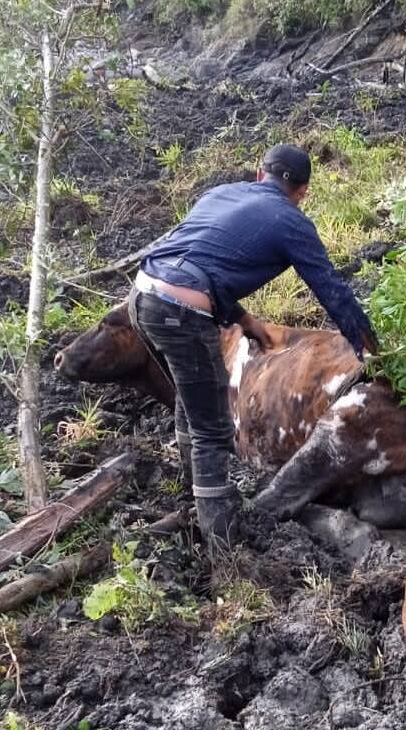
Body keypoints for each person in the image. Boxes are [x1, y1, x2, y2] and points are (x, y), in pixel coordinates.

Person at [130, 143, 380, 547]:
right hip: (181, 312)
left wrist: (244, 320)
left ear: (259, 173)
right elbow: (331, 290)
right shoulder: (291, 221)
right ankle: (225, 547)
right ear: (302, 191)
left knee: (191, 397)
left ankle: (191, 491)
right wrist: (371, 349)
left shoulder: (220, 193)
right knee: (212, 429)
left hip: (141, 299)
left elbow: (199, 256)